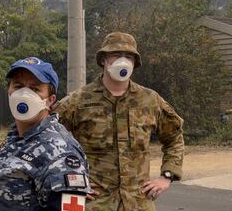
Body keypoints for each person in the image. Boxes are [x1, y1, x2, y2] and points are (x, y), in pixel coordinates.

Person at [56, 32, 184, 211]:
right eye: (116, 55)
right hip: (95, 203)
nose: (123, 61)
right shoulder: (78, 101)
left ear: (134, 62)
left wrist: (167, 175)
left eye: (129, 56)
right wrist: (66, 181)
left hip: (138, 202)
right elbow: (45, 137)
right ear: (104, 60)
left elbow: (174, 137)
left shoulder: (150, 100)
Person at [0, 57, 91, 211]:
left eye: (35, 89)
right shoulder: (17, 140)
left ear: (50, 100)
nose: (24, 94)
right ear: (9, 92)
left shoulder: (61, 152)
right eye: (18, 86)